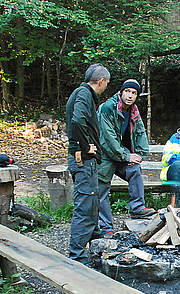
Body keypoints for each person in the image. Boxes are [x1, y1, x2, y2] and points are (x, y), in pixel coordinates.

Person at [65, 63, 110, 264]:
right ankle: (77, 256)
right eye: (106, 83)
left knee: (92, 203)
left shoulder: (82, 93)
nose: (105, 87)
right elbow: (77, 121)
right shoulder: (84, 94)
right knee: (85, 206)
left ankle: (95, 244)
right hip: (83, 161)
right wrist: (85, 147)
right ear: (101, 81)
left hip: (88, 162)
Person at [97, 79, 153, 235]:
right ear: (121, 92)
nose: (130, 95)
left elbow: (140, 133)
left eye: (134, 93)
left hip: (120, 153)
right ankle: (106, 228)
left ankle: (137, 208)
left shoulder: (134, 110)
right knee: (102, 188)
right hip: (104, 152)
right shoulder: (108, 108)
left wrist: (140, 154)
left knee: (134, 169)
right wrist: (126, 156)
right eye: (127, 91)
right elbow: (107, 140)